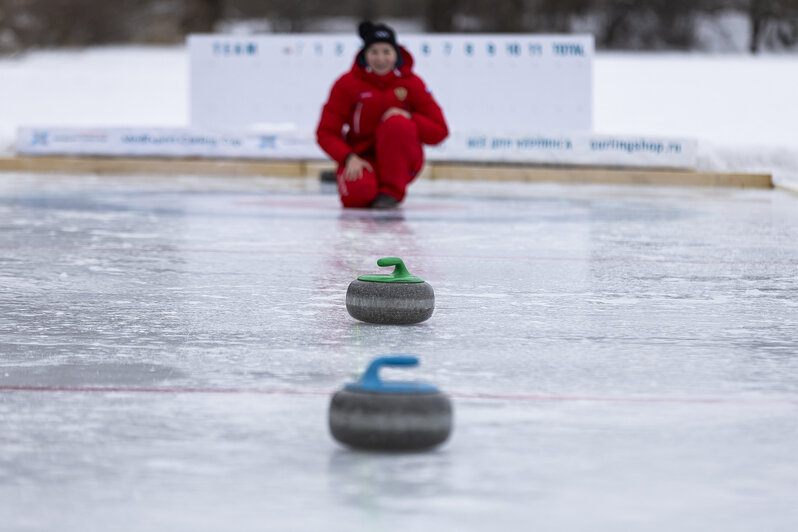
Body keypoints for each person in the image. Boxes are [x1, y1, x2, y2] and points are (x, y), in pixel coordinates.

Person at [316, 21, 449, 209]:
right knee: (358, 196)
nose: (381, 58)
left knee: (397, 123)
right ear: (365, 54)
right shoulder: (346, 84)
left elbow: (440, 131)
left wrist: (408, 117)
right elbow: (325, 132)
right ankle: (358, 180)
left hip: (400, 163)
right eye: (374, 52)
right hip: (360, 159)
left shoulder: (412, 84)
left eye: (386, 52)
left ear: (396, 54)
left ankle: (392, 192)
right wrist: (348, 158)